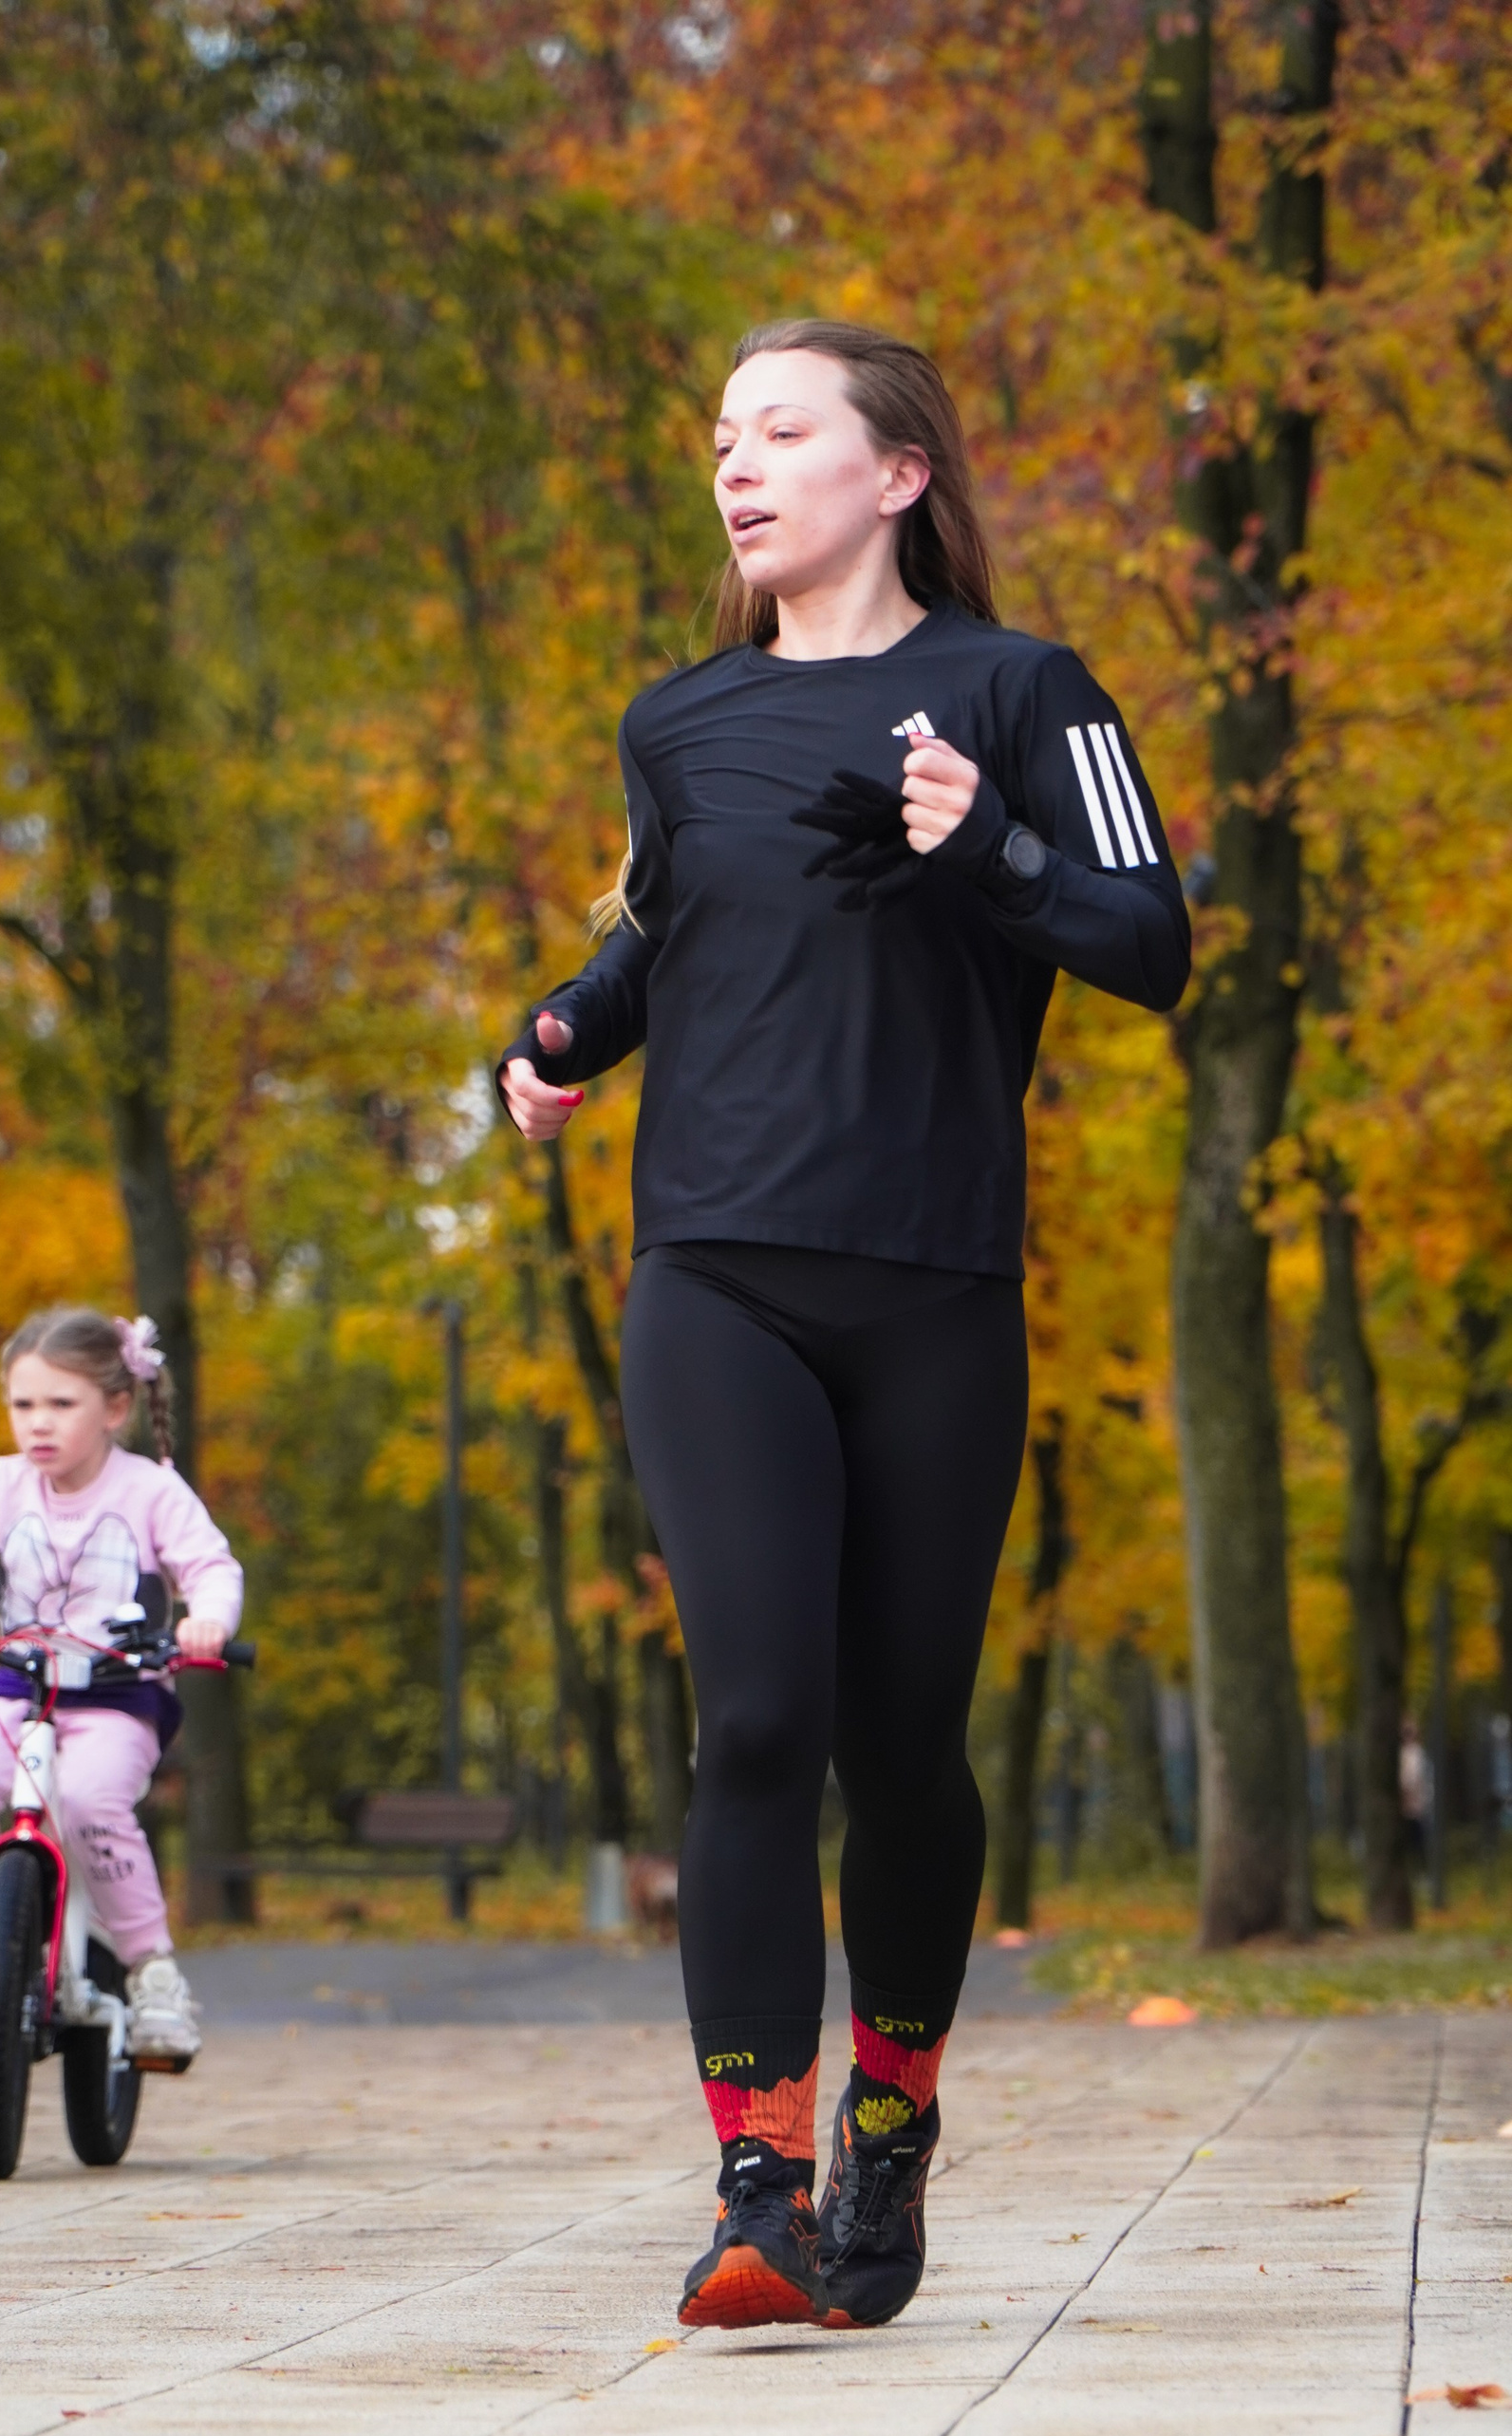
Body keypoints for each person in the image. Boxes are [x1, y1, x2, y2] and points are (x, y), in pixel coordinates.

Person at [497, 319, 1189, 2331]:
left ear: (895, 474)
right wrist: (561, 1033)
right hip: (716, 1269)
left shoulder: (1026, 692)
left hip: (935, 1285)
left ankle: (890, 2126)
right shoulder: (678, 723)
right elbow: (664, 932)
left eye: (780, 430)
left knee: (901, 1750)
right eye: (722, 435)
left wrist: (991, 846)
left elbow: (1151, 942)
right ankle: (758, 2184)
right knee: (757, 1722)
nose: (736, 463)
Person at [0, 1306, 244, 2065]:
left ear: (115, 1408)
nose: (38, 1423)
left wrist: (207, 1620)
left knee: (90, 1801)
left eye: (62, 1404)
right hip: (21, 1688)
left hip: (118, 1694)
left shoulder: (150, 1492)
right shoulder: (3, 1485)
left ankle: (153, 1975)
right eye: (23, 1404)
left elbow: (210, 1565)